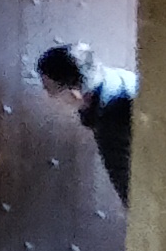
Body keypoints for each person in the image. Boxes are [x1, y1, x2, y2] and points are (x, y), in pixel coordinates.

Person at [36, 41, 137, 199]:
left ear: (73, 94)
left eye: (50, 90)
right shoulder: (119, 79)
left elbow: (131, 191)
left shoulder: (110, 122)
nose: (49, 97)